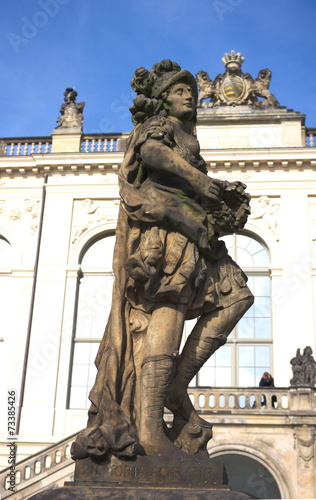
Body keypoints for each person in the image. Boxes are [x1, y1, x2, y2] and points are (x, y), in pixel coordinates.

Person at [72, 59, 254, 461]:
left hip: (196, 233)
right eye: (178, 90)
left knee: (238, 298)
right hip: (167, 232)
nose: (188, 94)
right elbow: (151, 155)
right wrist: (204, 183)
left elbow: (194, 186)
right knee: (168, 312)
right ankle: (151, 428)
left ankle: (175, 385)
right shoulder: (159, 128)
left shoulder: (189, 138)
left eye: (190, 90)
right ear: (161, 102)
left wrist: (223, 205)